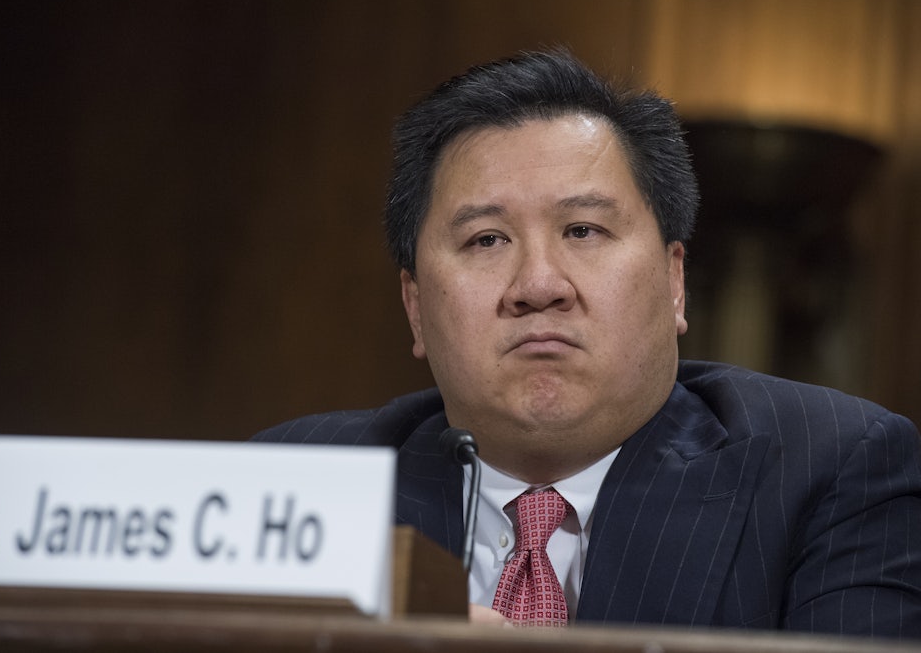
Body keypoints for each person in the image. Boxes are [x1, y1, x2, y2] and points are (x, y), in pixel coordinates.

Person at [252, 49, 921, 638]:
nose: (538, 285)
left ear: (674, 280)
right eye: (486, 240)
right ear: (417, 308)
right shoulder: (294, 484)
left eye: (583, 231)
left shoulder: (832, 472)